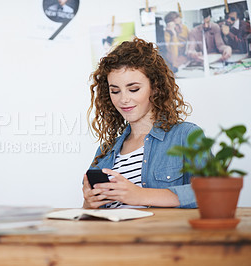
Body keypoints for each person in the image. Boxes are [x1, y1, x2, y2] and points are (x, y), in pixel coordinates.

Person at [83, 38, 205, 209]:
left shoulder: (185, 135)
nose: (123, 99)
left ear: (155, 87)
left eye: (133, 89)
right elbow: (89, 213)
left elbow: (212, 193)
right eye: (115, 91)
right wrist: (89, 203)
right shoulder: (106, 150)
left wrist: (140, 195)